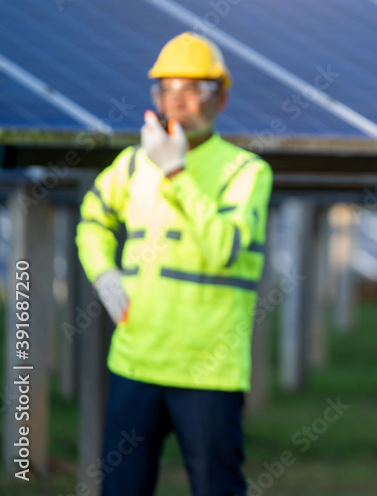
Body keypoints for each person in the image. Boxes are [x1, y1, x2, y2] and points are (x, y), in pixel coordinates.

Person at [76, 32, 273, 496]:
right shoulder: (131, 164)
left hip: (209, 370)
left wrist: (176, 174)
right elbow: (91, 221)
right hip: (135, 363)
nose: (177, 101)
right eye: (167, 89)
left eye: (192, 89)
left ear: (220, 98)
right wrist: (103, 274)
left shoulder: (246, 172)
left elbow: (224, 247)